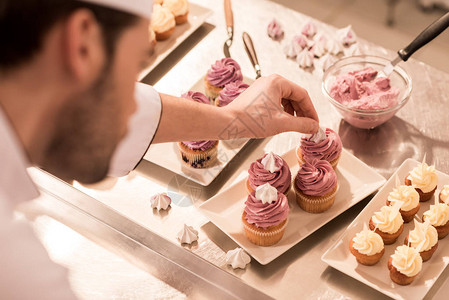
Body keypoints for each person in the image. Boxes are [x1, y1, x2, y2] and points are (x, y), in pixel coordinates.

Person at [0, 0, 319, 298]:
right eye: (135, 68)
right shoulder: (14, 268)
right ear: (81, 45)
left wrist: (230, 119)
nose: (131, 115)